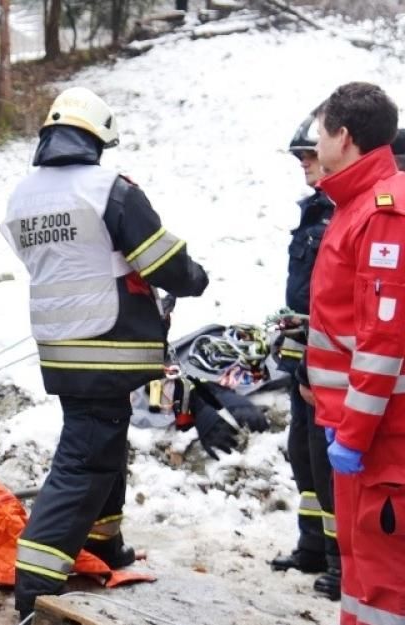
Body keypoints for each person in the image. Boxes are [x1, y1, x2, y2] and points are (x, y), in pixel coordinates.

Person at [0, 87, 208, 620]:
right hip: (107, 344)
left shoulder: (23, 196)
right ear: (97, 139)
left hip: (59, 346)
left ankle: (105, 545)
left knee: (103, 447)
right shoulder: (108, 189)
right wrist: (194, 278)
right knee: (85, 461)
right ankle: (34, 590)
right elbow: (164, 262)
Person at [304, 81, 405, 625]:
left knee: (385, 582)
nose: (314, 144)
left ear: (343, 136)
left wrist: (354, 434)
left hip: (383, 438)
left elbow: (384, 341)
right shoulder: (354, 205)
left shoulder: (384, 211)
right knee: (360, 573)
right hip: (358, 428)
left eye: (320, 133)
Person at [268, 112, 342, 600]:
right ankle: (313, 544)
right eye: (298, 155)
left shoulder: (345, 213)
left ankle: (342, 561)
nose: (303, 162)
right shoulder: (315, 211)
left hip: (328, 363)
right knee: (304, 454)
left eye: (310, 153)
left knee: (327, 460)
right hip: (303, 359)